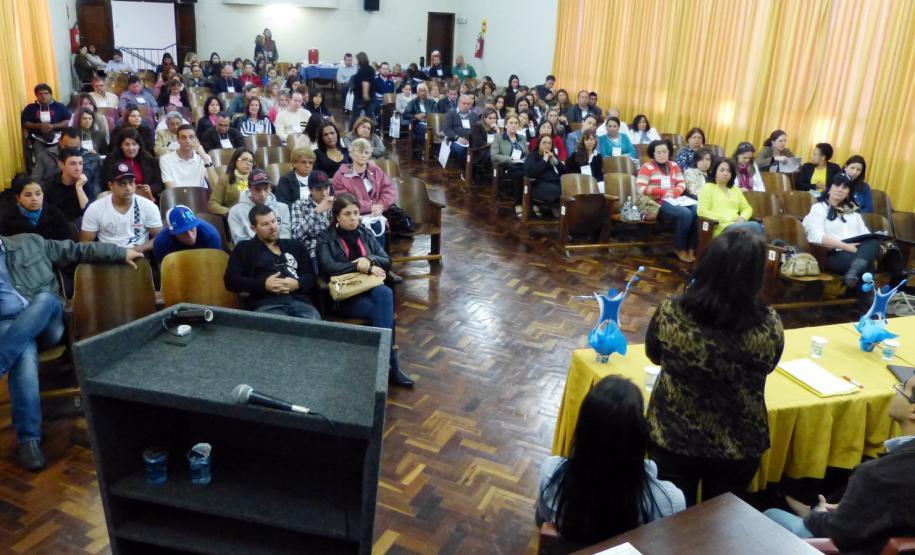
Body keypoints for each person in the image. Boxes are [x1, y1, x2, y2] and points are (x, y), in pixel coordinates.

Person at [647, 227, 784, 506]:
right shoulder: (769, 324)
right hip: (739, 442)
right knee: (720, 529)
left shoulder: (671, 312)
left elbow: (654, 355)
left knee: (671, 520)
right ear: (756, 276)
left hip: (673, 435)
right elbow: (769, 366)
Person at [0, 230, 142, 470]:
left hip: (48, 321)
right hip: (9, 326)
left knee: (45, 298)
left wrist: (118, 252)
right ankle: (29, 440)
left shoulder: (30, 242)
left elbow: (77, 250)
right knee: (23, 355)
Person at [763, 374, 915, 553]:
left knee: (769, 514)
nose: (896, 391)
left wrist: (816, 515)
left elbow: (838, 533)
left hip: (854, 545)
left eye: (902, 388)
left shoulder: (877, 475)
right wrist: (854, 506)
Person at [537, 376, 686, 543]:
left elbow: (543, 520)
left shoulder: (550, 474)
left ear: (582, 431)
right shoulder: (670, 501)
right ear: (639, 437)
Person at [316, 194, 412, 387]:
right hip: (344, 297)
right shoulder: (325, 238)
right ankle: (391, 365)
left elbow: (386, 260)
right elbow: (328, 267)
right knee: (383, 308)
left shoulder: (365, 232)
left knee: (384, 294)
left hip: (369, 291)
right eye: (347, 214)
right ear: (336, 216)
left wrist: (369, 259)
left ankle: (382, 363)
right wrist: (362, 266)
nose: (353, 218)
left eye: (356, 213)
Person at [225, 204, 319, 320]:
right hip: (266, 305)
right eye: (265, 224)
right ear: (253, 228)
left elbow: (311, 277)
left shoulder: (295, 246)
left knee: (314, 327)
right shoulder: (244, 248)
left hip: (300, 302)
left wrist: (297, 284)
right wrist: (263, 285)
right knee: (280, 329)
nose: (272, 227)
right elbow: (230, 281)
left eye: (274, 221)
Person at [802, 174, 882, 287]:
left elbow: (865, 233)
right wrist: (846, 247)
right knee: (868, 264)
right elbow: (816, 237)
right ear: (829, 188)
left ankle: (853, 276)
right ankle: (863, 298)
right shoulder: (818, 208)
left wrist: (873, 242)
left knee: (873, 240)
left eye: (844, 187)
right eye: (836, 185)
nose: (840, 189)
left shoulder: (852, 213)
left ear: (848, 192)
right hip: (830, 253)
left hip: (856, 252)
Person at [79, 162, 162, 256]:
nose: (128, 188)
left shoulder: (148, 206)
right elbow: (84, 244)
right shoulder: (95, 208)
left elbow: (159, 238)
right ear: (111, 185)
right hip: (106, 257)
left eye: (131, 183)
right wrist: (116, 254)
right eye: (122, 184)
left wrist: (135, 250)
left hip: (138, 255)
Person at [637, 140, 695, 262]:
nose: (662, 154)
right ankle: (679, 248)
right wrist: (661, 192)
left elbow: (682, 183)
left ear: (669, 152)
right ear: (653, 154)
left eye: (664, 151)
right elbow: (640, 187)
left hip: (675, 198)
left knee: (696, 210)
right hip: (657, 202)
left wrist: (675, 192)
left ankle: (691, 247)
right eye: (658, 152)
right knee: (685, 214)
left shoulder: (674, 166)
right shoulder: (647, 167)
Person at [331, 138, 395, 219]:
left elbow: (388, 190)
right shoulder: (341, 175)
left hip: (380, 214)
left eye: (367, 152)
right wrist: (370, 207)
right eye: (360, 152)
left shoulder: (376, 170)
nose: (363, 155)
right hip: (354, 218)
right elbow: (344, 200)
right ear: (351, 153)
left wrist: (380, 205)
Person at [698, 157, 762, 237]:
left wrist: (742, 218)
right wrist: (727, 219)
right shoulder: (708, 188)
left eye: (728, 171)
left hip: (738, 225)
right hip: (720, 227)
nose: (725, 173)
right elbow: (702, 211)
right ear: (715, 172)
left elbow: (747, 208)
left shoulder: (735, 189)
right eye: (722, 170)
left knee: (757, 227)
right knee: (755, 226)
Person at [32, 128, 102, 200]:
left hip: (83, 195)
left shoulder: (91, 158)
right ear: (60, 142)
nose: (71, 151)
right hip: (52, 196)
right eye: (67, 147)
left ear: (81, 144)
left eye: (75, 148)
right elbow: (35, 180)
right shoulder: (46, 155)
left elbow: (97, 183)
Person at [227, 168, 291, 244]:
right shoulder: (235, 212)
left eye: (266, 189)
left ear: (270, 188)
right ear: (249, 187)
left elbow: (285, 237)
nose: (262, 194)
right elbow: (241, 242)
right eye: (258, 189)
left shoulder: (283, 208)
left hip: (279, 251)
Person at [0, 174, 72, 240]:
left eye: (38, 194)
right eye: (28, 195)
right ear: (18, 198)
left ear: (43, 194)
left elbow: (65, 244)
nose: (34, 199)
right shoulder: (7, 218)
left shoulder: (55, 214)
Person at [102, 128, 163, 203]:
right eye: (127, 144)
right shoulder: (111, 160)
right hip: (119, 197)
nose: (131, 148)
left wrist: (149, 188)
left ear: (139, 145)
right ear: (121, 146)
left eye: (134, 144)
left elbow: (159, 184)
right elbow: (106, 183)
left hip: (145, 198)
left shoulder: (150, 160)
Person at [290, 170, 333, 272]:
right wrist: (317, 211)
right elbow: (296, 235)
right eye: (319, 189)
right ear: (310, 189)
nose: (324, 193)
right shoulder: (299, 205)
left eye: (326, 188)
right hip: (313, 251)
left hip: (335, 248)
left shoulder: (334, 203)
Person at [152, 205, 222, 264]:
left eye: (192, 229)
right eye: (183, 232)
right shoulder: (161, 243)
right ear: (172, 233)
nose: (190, 236)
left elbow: (214, 266)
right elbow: (165, 270)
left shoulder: (211, 236)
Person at [41, 148, 94, 225]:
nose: (78, 168)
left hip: (81, 226)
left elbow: (90, 213)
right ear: (61, 165)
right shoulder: (50, 185)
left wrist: (79, 188)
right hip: (56, 225)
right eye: (72, 164)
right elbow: (46, 213)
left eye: (80, 163)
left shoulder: (85, 182)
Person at [491, 114, 529, 216]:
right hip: (507, 166)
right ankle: (518, 204)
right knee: (519, 174)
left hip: (521, 165)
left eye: (516, 123)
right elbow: (494, 155)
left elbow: (527, 154)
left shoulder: (522, 138)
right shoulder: (499, 137)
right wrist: (509, 159)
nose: (513, 125)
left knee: (530, 172)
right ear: (506, 125)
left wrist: (524, 160)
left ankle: (530, 202)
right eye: (511, 123)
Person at [159, 125, 219, 189]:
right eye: (183, 137)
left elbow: (216, 186)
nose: (187, 141)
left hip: (200, 195)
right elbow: (170, 188)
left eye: (191, 137)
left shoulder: (204, 157)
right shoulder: (165, 159)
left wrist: (205, 158)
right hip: (177, 196)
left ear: (196, 139)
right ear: (177, 139)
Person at [21, 84, 71, 159]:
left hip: (57, 137)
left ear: (51, 94)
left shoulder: (59, 106)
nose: (43, 96)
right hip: (38, 137)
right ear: (36, 96)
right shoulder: (30, 108)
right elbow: (25, 123)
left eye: (46, 93)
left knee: (60, 156)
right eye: (40, 94)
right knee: (40, 157)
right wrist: (38, 125)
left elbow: (67, 121)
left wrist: (54, 126)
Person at [524, 135, 564, 218]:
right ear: (539, 144)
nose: (547, 145)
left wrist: (556, 161)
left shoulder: (553, 156)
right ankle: (556, 209)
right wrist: (544, 160)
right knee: (559, 191)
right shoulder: (532, 156)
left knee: (568, 190)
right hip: (539, 185)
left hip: (556, 183)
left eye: (549, 143)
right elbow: (530, 173)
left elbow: (564, 172)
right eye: (544, 143)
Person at [209, 148, 255, 216]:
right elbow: (212, 204)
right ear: (235, 161)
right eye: (244, 159)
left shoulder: (256, 178)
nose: (248, 163)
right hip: (236, 218)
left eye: (251, 161)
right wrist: (231, 212)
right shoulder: (226, 178)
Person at [444, 95, 480, 177]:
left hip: (470, 140)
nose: (466, 106)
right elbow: (447, 130)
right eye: (464, 103)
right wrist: (457, 138)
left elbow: (478, 130)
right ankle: (465, 170)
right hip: (455, 140)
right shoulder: (451, 113)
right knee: (460, 149)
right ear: (458, 103)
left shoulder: (474, 116)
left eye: (468, 104)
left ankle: (473, 169)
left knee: (480, 149)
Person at [403, 82, 438, 157]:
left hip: (431, 123)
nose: (422, 93)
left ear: (427, 92)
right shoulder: (413, 102)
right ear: (417, 92)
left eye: (424, 91)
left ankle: (436, 150)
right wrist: (415, 116)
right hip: (418, 124)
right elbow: (405, 114)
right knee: (424, 129)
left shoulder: (432, 102)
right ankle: (425, 150)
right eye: (420, 91)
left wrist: (425, 115)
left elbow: (436, 113)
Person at [350, 52, 376, 131]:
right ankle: (371, 132)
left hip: (361, 97)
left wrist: (365, 94)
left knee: (355, 116)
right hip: (368, 97)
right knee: (369, 116)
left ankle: (351, 132)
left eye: (357, 59)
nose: (356, 61)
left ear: (360, 60)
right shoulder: (369, 68)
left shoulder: (364, 70)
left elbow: (365, 83)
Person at [469, 108, 500, 173]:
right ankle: (495, 176)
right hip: (480, 153)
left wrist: (497, 130)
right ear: (484, 118)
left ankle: (498, 175)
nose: (493, 120)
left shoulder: (494, 129)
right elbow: (477, 143)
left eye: (495, 118)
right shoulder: (477, 126)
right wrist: (493, 144)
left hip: (492, 151)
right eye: (490, 118)